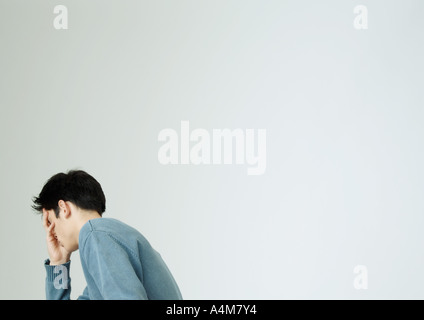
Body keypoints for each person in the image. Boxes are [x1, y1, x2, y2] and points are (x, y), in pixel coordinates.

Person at [31, 169, 183, 300]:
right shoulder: (105, 237)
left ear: (63, 208)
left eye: (50, 221)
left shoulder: (95, 234)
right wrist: (58, 263)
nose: (52, 234)